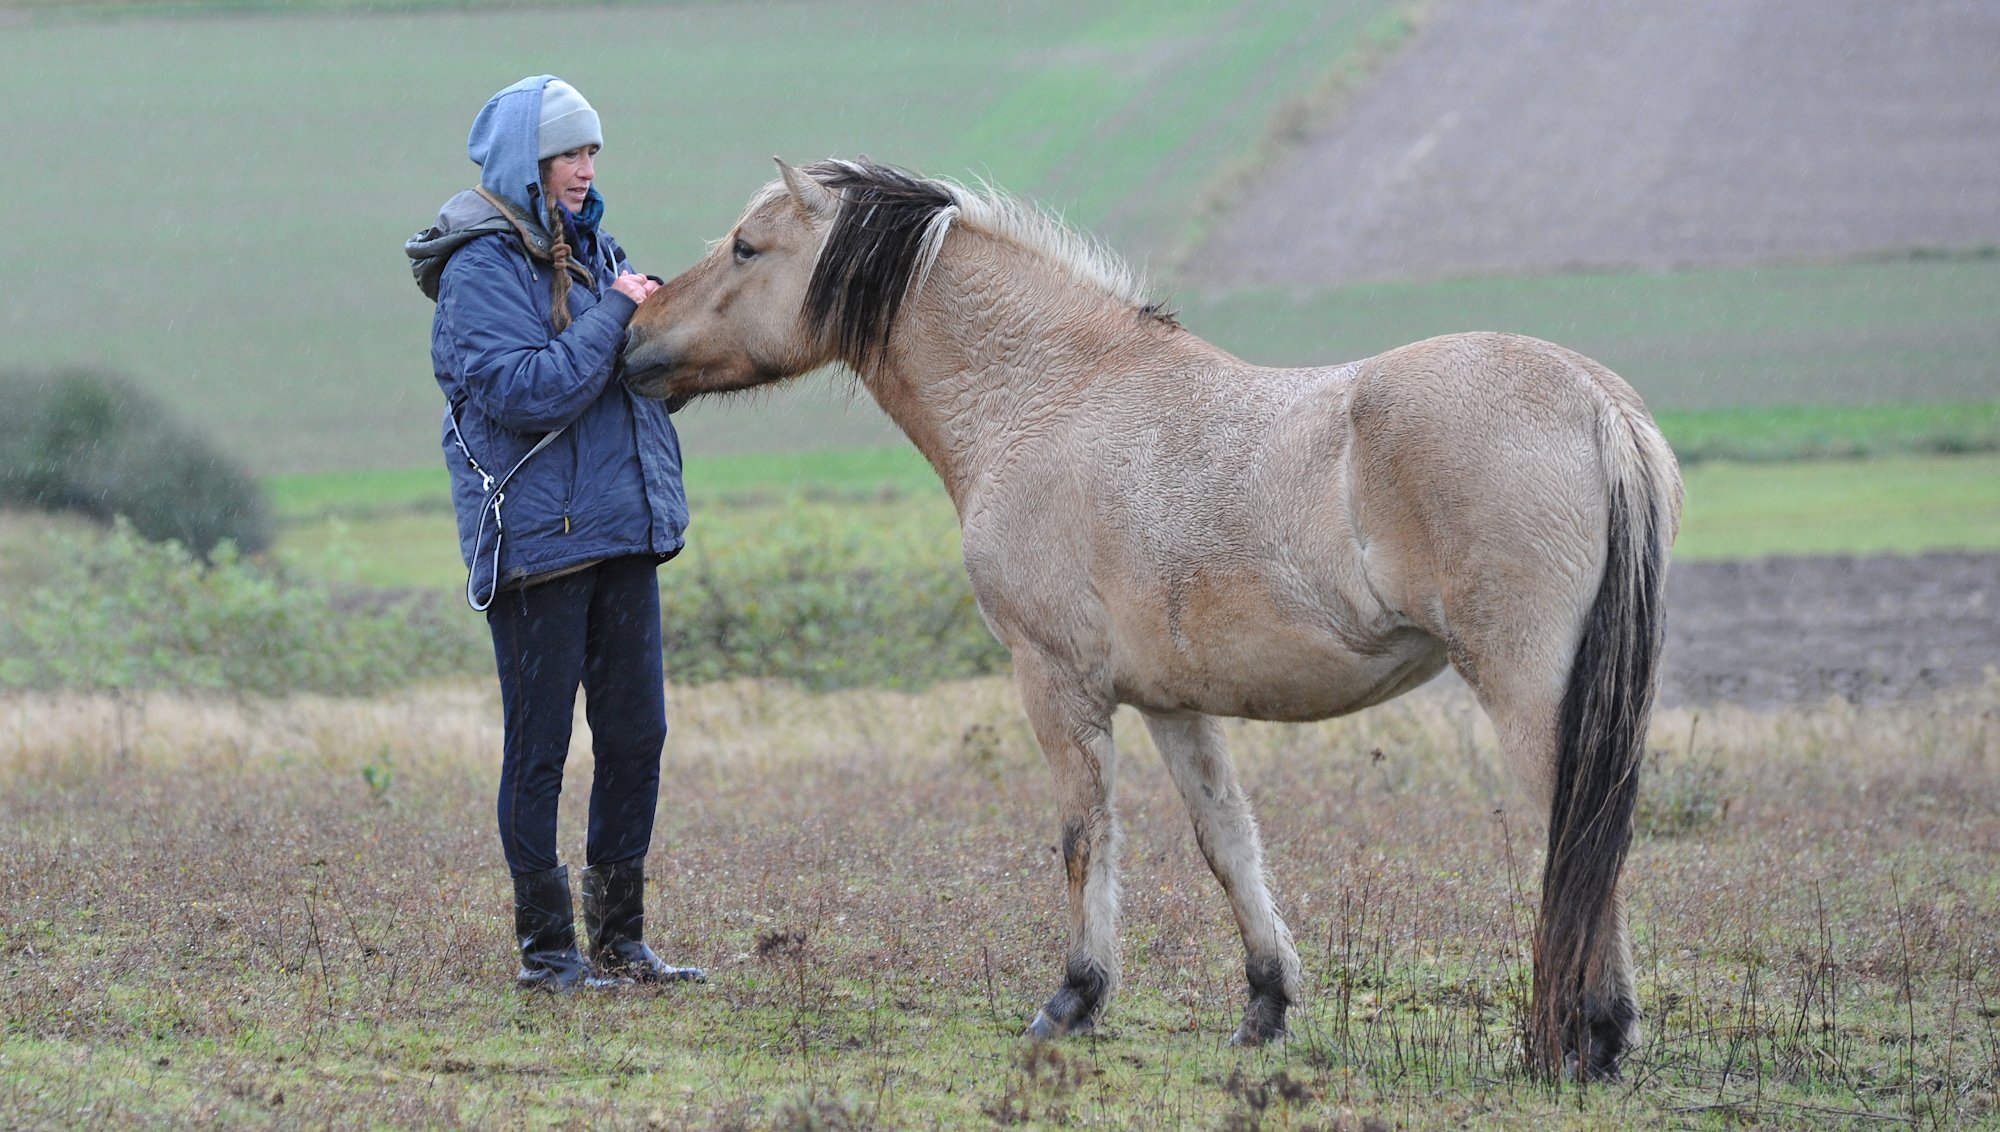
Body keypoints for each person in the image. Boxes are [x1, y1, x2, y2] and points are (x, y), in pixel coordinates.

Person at [404, 75, 701, 990]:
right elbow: (529, 393)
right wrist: (617, 310)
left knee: (636, 736)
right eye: (570, 152)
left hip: (616, 530)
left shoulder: (588, 247)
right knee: (538, 751)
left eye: (593, 151)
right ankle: (548, 956)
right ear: (525, 162)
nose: (587, 167)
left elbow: (614, 379)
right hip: (536, 544)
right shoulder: (478, 270)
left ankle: (619, 942)